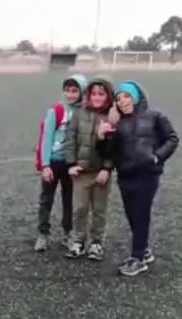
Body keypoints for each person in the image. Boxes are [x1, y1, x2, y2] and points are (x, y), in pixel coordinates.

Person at [105, 80, 179, 276]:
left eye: (127, 96)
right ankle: (144, 249)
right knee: (132, 214)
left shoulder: (155, 116)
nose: (123, 101)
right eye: (118, 99)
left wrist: (157, 157)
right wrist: (107, 133)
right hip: (125, 175)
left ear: (136, 97)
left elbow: (172, 139)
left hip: (147, 174)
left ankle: (137, 258)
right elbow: (109, 152)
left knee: (141, 213)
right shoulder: (117, 123)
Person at [62, 77, 115, 261]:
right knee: (79, 209)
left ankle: (97, 243)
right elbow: (70, 140)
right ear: (88, 95)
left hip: (101, 174)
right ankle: (79, 241)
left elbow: (114, 148)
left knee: (99, 210)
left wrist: (107, 168)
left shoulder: (112, 117)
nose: (97, 97)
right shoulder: (79, 114)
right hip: (81, 173)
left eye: (101, 94)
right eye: (94, 94)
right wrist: (71, 164)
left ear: (108, 96)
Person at [34, 74, 87, 252]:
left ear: (82, 92)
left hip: (71, 164)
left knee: (69, 200)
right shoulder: (56, 110)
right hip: (53, 163)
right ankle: (43, 233)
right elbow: (46, 138)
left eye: (74, 91)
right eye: (67, 90)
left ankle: (68, 233)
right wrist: (45, 165)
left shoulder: (84, 112)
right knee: (46, 199)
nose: (70, 94)